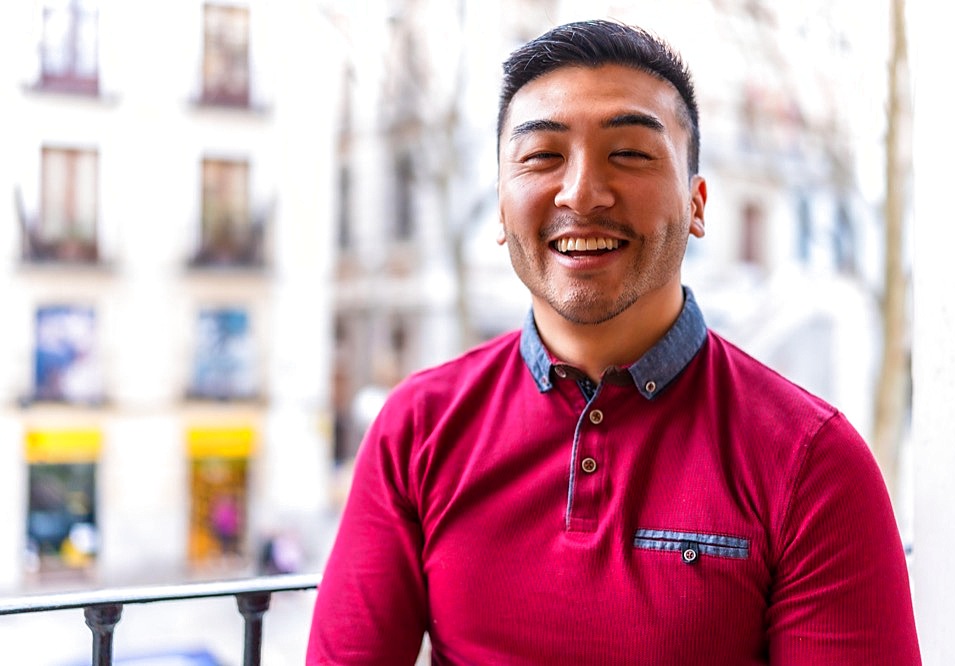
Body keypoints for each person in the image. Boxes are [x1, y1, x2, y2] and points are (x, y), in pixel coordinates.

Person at [307, 19, 921, 665]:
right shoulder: (417, 429)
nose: (581, 192)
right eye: (542, 156)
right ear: (499, 208)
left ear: (696, 205)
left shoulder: (813, 463)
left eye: (628, 154)